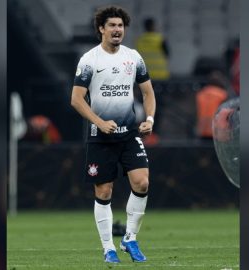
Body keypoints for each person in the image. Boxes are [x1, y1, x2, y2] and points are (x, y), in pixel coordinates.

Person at [70, 6, 156, 263]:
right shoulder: (89, 60)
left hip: (129, 133)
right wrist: (99, 121)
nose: (117, 30)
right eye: (112, 26)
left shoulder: (133, 57)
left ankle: (130, 238)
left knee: (142, 182)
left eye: (120, 26)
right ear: (101, 29)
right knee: (104, 191)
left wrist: (149, 119)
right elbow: (76, 99)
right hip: (101, 136)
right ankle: (108, 248)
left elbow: (148, 93)